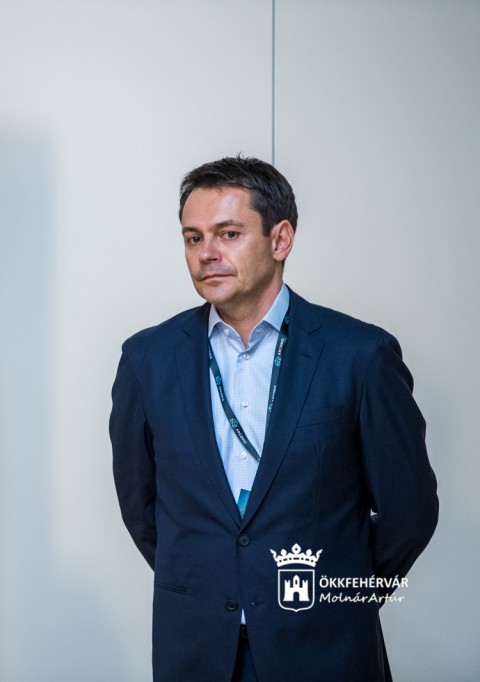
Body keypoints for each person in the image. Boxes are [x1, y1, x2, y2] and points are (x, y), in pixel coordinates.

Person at [109, 155, 438, 682]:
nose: (207, 253)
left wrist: (336, 597)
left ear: (280, 240)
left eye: (228, 234)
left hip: (325, 650)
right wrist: (219, 578)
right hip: (196, 650)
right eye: (193, 238)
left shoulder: (360, 355)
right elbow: (142, 510)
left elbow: (409, 512)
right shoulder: (147, 359)